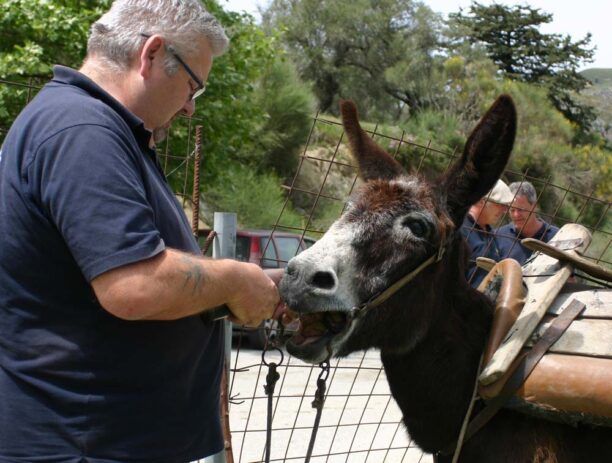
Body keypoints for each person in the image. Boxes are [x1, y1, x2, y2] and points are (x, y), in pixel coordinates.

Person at [0, 1, 280, 461]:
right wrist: (233, 279)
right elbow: (134, 286)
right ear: (151, 54)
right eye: (193, 86)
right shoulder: (83, 130)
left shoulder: (96, 128)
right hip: (84, 446)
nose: (190, 107)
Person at [460, 179, 514, 288]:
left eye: (506, 206)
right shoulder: (460, 230)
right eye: (500, 204)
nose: (505, 210)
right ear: (480, 200)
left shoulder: (490, 233)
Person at [495, 181, 559, 265]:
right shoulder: (497, 236)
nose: (516, 215)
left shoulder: (556, 236)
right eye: (512, 210)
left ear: (534, 206)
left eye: (521, 209)